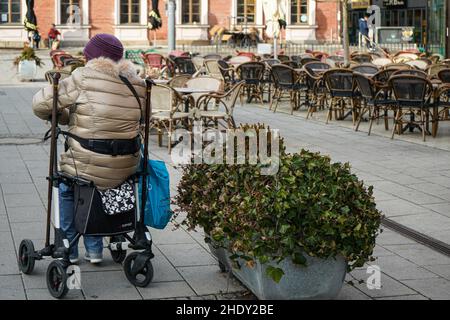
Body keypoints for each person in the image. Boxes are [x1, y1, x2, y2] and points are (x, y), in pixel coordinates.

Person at [32, 34, 146, 264]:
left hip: (87, 163)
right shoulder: (138, 84)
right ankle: (95, 250)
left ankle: (70, 251)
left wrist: (65, 117)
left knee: (66, 186)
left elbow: (40, 104)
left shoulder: (83, 77)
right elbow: (142, 119)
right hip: (126, 166)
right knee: (104, 179)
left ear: (91, 56)